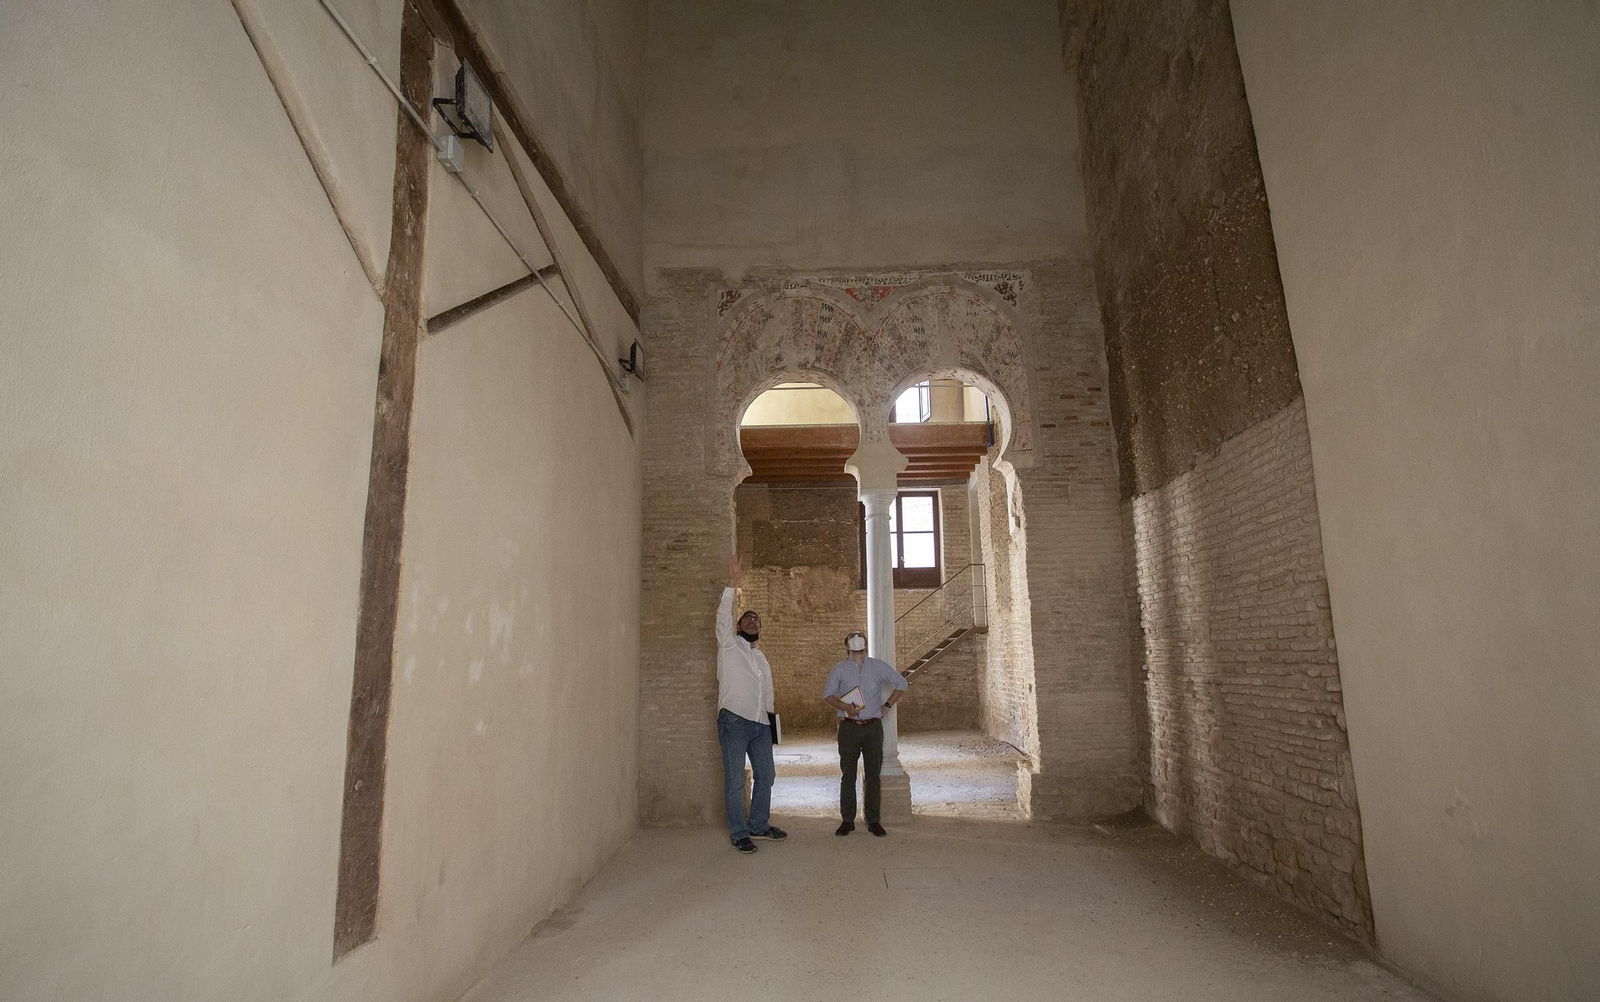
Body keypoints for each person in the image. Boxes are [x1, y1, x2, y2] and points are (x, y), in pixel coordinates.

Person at [715, 554, 786, 853]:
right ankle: (738, 832)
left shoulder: (760, 657)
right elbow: (722, 617)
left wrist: (771, 726)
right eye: (748, 618)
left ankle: (758, 825)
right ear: (739, 625)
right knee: (734, 781)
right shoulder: (729, 644)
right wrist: (732, 583)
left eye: (757, 619)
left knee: (766, 776)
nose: (753, 620)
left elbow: (766, 694)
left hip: (760, 723)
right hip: (734, 721)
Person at [821, 630, 908, 837]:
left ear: (866, 648)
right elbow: (827, 695)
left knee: (873, 775)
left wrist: (887, 705)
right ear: (848, 650)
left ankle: (873, 820)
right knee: (848, 774)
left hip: (872, 728)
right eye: (855, 650)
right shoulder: (839, 669)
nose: (858, 653)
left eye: (861, 650)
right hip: (849, 726)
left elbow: (902, 683)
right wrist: (844, 706)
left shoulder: (878, 666)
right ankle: (847, 820)